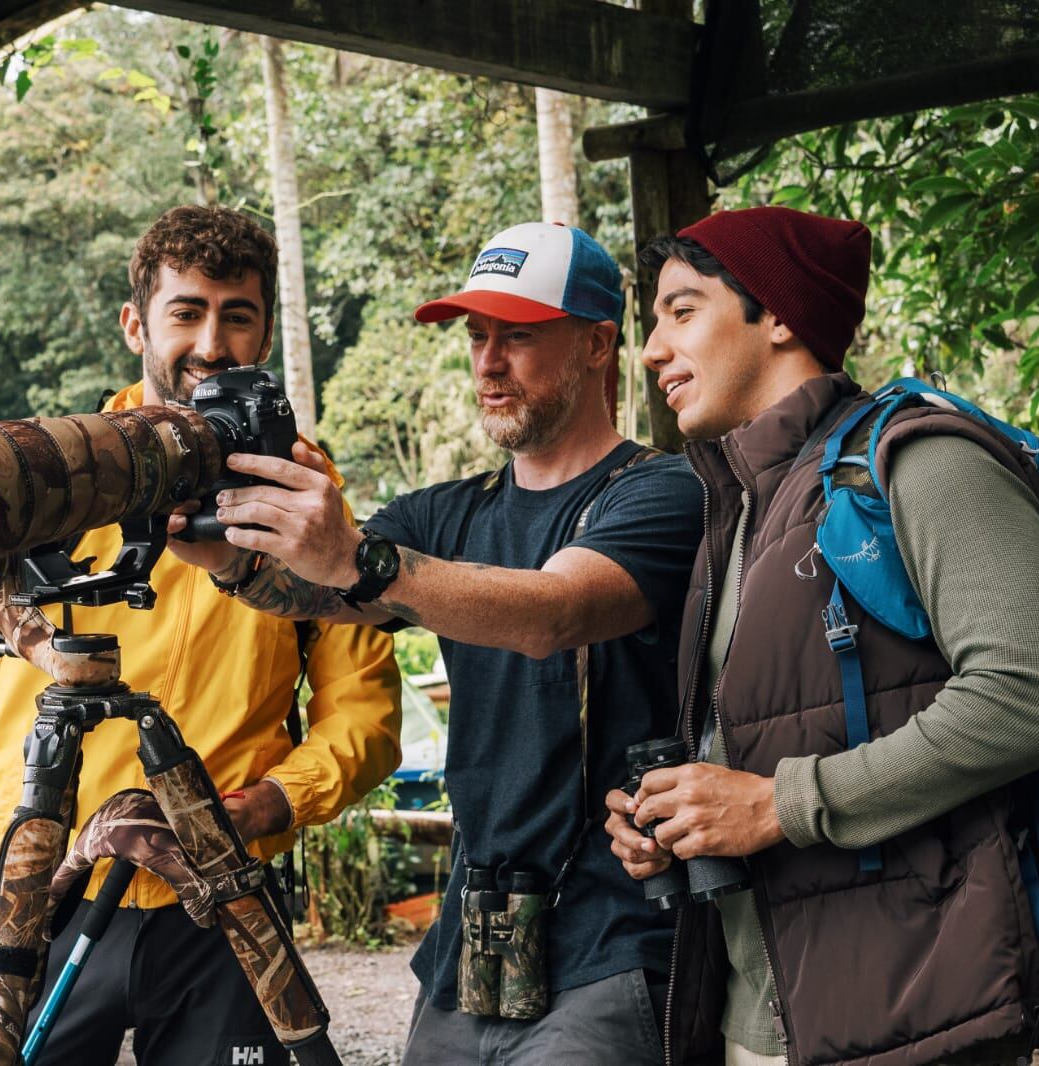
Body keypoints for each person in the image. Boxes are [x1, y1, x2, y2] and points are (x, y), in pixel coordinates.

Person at [169, 221, 705, 1064]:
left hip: (613, 946)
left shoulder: (665, 491)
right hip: (471, 950)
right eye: (478, 336)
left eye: (519, 335)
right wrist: (230, 558)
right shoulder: (443, 515)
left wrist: (358, 556)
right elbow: (323, 596)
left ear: (599, 344)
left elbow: (553, 612)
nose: (488, 362)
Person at [0, 204, 402, 1066]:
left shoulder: (306, 492)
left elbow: (364, 715)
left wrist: (263, 808)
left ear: (265, 333)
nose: (212, 343)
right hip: (45, 885)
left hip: (222, 892)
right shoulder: (53, 467)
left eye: (236, 315)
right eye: (187, 311)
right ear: (137, 322)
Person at [603, 205, 1039, 1065]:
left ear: (779, 314)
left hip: (918, 1015)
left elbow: (1035, 694)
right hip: (764, 1018)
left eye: (681, 310)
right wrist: (677, 820)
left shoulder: (920, 462)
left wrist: (775, 805)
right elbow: (779, 733)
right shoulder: (744, 507)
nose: (650, 349)